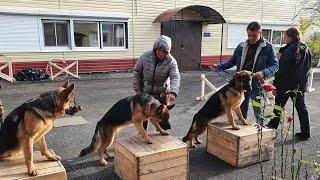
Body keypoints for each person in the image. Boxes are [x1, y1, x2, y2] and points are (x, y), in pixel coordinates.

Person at [209, 21, 279, 125]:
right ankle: (241, 134)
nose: (251, 38)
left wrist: (264, 72)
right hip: (239, 85)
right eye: (249, 35)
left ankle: (260, 135)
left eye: (254, 35)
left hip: (256, 84)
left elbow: (275, 65)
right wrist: (218, 66)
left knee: (258, 112)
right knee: (241, 111)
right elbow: (231, 62)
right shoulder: (241, 46)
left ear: (260, 33)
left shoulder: (268, 47)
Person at [266, 27, 312, 140]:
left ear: (290, 37)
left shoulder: (288, 51)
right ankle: (305, 132)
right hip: (299, 85)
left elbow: (281, 70)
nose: (284, 39)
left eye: (285, 37)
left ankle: (272, 129)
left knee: (278, 107)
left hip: (285, 85)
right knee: (301, 108)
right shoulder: (306, 49)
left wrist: (275, 86)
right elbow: (309, 68)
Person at [133, 35, 181, 130]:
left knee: (162, 118)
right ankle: (143, 134)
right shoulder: (145, 57)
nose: (160, 53)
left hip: (162, 95)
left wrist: (173, 92)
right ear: (155, 48)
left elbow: (175, 77)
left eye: (164, 51)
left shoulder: (171, 62)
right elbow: (137, 72)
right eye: (159, 50)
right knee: (144, 118)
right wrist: (138, 89)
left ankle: (162, 136)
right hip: (146, 93)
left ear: (167, 52)